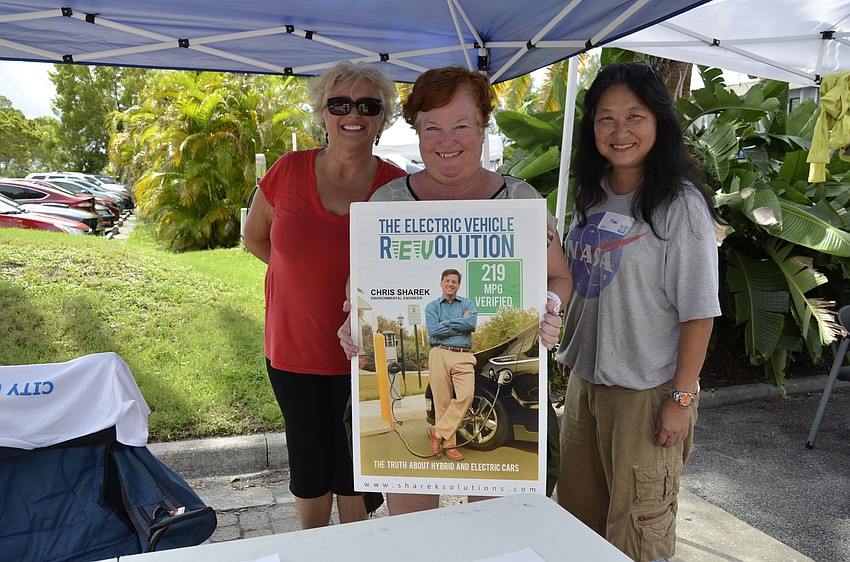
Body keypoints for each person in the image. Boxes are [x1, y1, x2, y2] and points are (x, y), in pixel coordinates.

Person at [338, 65, 572, 515]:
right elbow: (361, 285)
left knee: (497, 521)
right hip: (440, 354)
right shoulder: (387, 203)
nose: (447, 140)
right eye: (433, 128)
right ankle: (439, 439)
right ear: (417, 131)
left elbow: (558, 276)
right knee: (412, 524)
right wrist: (356, 323)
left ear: (483, 128)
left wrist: (552, 307)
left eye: (462, 125)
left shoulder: (520, 201)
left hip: (476, 354)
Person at [554, 62, 720, 562]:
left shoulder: (680, 204)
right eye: (606, 118)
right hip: (586, 386)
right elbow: (579, 283)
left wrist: (681, 399)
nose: (619, 131)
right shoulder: (591, 190)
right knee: (576, 523)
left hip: (646, 394)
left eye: (635, 116)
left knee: (636, 534)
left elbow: (699, 312)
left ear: (658, 122)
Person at [243, 61, 406, 529]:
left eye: (367, 105)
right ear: (321, 112)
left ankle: (356, 550)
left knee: (356, 465)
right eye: (340, 104)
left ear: (381, 117)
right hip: (294, 349)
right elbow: (256, 237)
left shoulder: (397, 188)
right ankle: (311, 547)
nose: (352, 114)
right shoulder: (286, 171)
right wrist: (299, 278)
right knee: (309, 458)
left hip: (367, 352)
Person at [424, 268, 478, 462]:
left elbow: (471, 324)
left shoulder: (467, 303)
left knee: (466, 395)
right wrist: (458, 323)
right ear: (441, 282)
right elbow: (433, 330)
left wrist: (445, 324)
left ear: (458, 285)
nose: (451, 284)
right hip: (439, 353)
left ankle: (437, 431)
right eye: (447, 280)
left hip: (463, 355)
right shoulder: (431, 307)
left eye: (454, 281)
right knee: (442, 402)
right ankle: (449, 445)